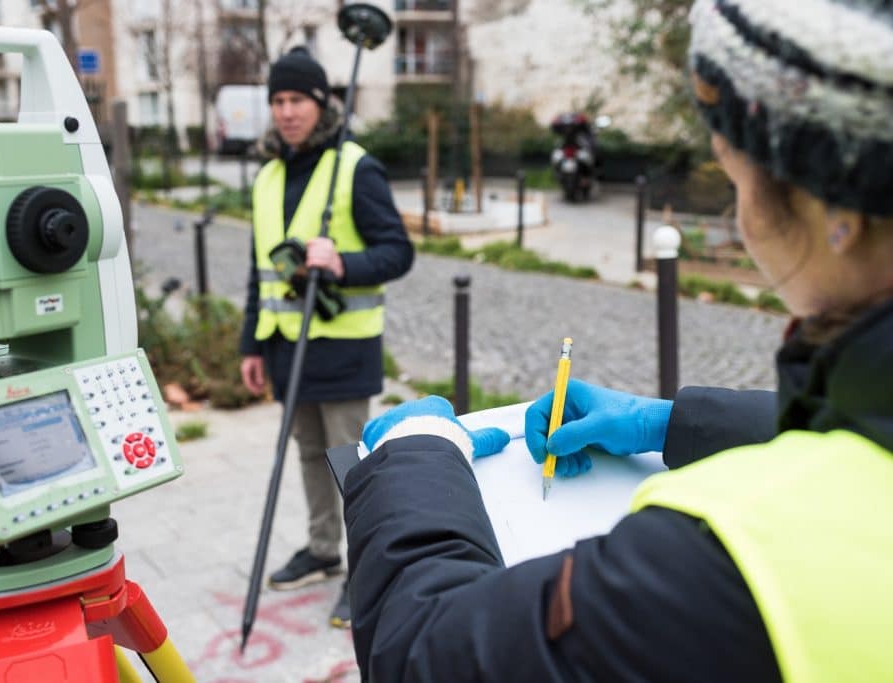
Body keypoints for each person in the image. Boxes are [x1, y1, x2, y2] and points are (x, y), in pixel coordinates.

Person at [342, 0, 893, 679]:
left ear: (836, 212)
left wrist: (411, 457)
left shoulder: (732, 554)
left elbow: (427, 655)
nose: (741, 215)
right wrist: (676, 425)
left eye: (736, 177)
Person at [239, 46, 414, 628]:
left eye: (298, 100)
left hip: (342, 348)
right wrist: (250, 345)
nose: (287, 112)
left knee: (351, 466)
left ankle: (370, 573)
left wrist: (342, 263)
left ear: (322, 104)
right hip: (286, 346)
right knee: (310, 454)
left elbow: (398, 251)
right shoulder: (267, 176)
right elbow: (259, 270)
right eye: (278, 101)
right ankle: (322, 551)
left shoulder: (354, 168)